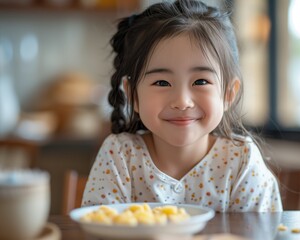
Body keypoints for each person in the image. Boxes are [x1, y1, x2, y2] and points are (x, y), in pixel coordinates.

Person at [82, 0, 283, 212]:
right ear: (132, 94)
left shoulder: (242, 161)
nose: (182, 101)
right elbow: (100, 228)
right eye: (161, 82)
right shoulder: (120, 155)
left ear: (228, 93)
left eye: (200, 81)